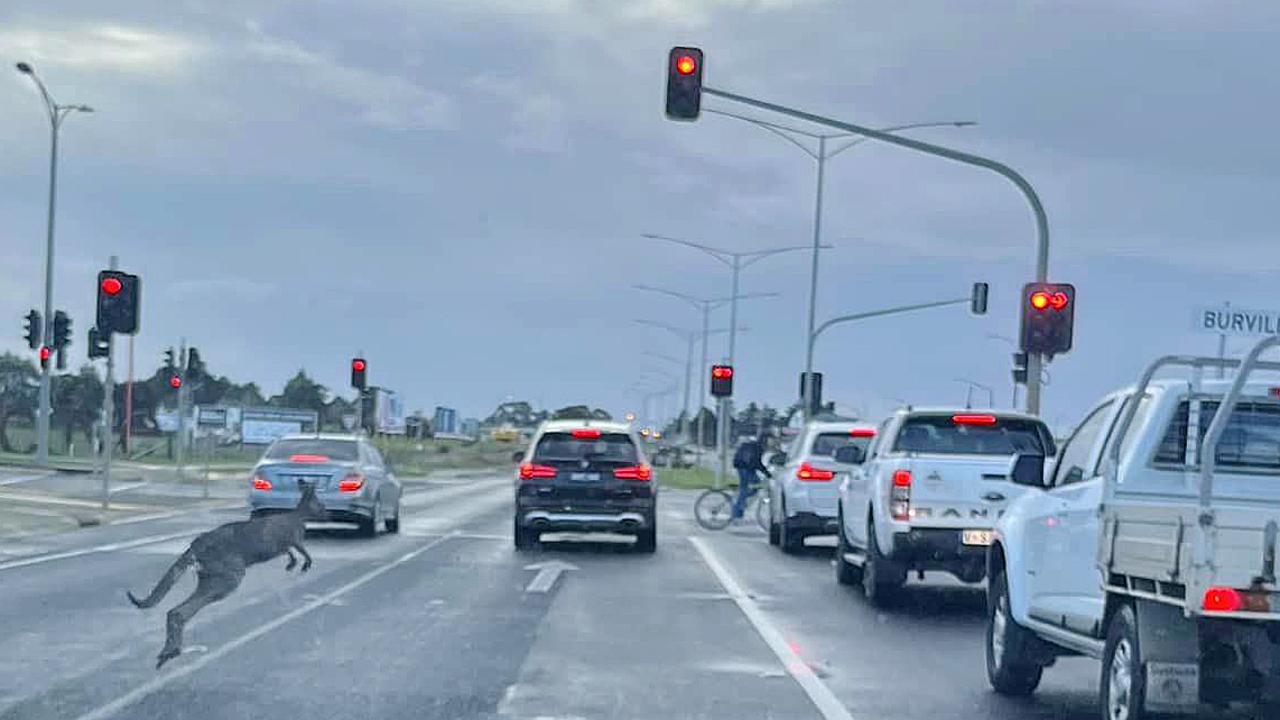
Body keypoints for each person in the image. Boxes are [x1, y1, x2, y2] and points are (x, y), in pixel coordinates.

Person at [730, 432, 772, 521]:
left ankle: (740, 506)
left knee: (753, 488)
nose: (771, 442)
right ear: (765, 440)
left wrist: (766, 472)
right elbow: (756, 463)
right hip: (744, 467)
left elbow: (756, 463)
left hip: (745, 467)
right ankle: (736, 511)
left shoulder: (757, 446)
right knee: (747, 488)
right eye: (770, 439)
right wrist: (767, 474)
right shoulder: (758, 447)